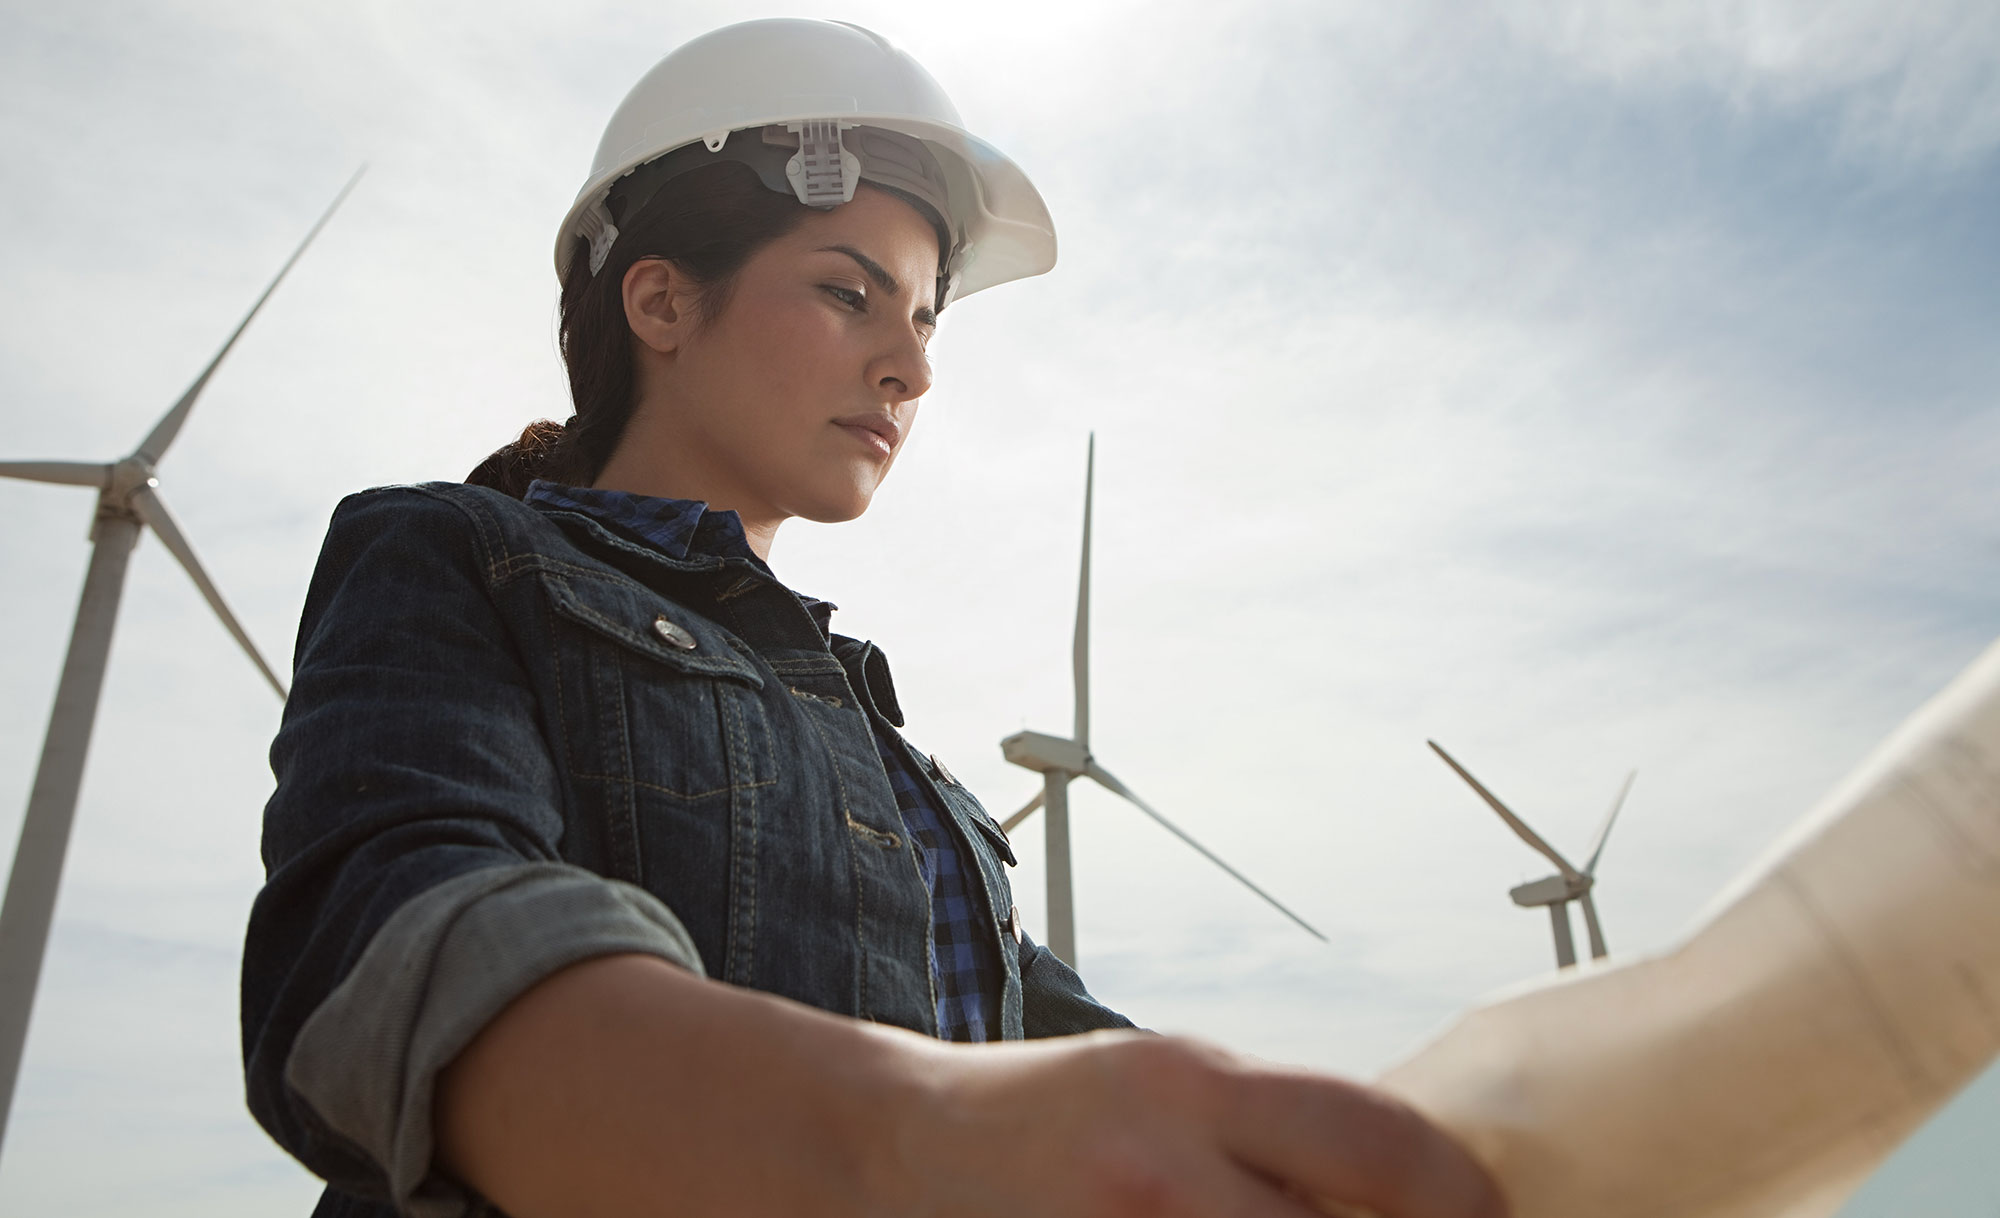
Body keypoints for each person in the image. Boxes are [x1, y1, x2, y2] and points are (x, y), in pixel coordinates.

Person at [240, 18, 1508, 1218]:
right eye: (848, 293)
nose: (909, 365)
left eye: (923, 317)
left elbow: (1086, 1089)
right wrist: (909, 1133)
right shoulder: (459, 554)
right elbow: (385, 952)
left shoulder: (915, 782)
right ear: (662, 302)